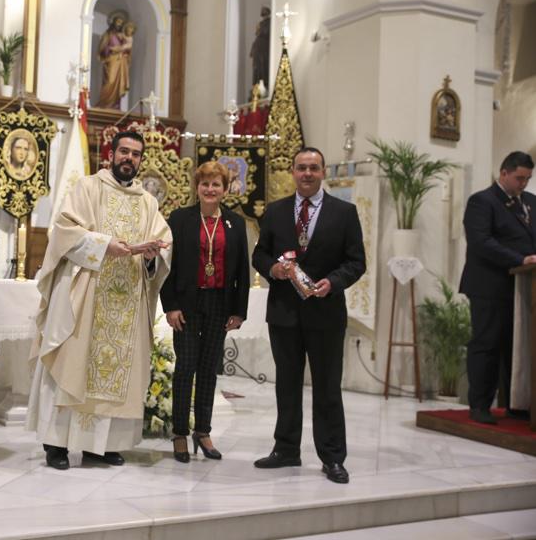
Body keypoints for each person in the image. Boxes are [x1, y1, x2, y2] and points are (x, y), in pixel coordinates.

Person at [26, 131, 172, 470]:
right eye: (124, 151)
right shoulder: (88, 187)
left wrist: (153, 255)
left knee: (114, 367)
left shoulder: (147, 202)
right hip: (85, 295)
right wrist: (106, 245)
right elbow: (64, 231)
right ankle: (57, 445)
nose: (129, 159)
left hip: (126, 302)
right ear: (111, 153)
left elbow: (164, 244)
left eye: (136, 154)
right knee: (71, 362)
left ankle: (101, 446)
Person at [251, 147, 365, 484]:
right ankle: (286, 449)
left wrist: (335, 281)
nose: (307, 174)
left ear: (323, 171)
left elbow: (357, 262)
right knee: (286, 385)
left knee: (327, 387)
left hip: (326, 315)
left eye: (313, 168)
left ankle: (332, 457)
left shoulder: (345, 213)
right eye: (301, 168)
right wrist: (273, 268)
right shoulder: (275, 211)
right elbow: (260, 255)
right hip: (285, 314)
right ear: (292, 171)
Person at [160, 161, 250, 463]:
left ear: (225, 190)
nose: (210, 190)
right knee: (186, 367)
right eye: (205, 184)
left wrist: (239, 311)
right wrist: (170, 305)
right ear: (196, 187)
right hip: (186, 304)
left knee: (209, 369)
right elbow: (167, 266)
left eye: (216, 185)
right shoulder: (181, 219)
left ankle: (203, 431)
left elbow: (242, 271)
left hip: (219, 304)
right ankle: (180, 433)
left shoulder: (235, 224)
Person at [460, 151, 536, 424]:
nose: (523, 184)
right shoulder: (482, 201)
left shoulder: (531, 202)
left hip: (525, 286)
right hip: (490, 284)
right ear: (504, 173)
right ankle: (480, 405)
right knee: (488, 344)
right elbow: (481, 242)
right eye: (519, 178)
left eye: (527, 179)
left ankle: (516, 404)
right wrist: (521, 260)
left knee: (518, 347)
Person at [97, 12, 130, 109]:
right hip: (111, 61)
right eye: (118, 21)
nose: (119, 24)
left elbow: (127, 50)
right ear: (113, 22)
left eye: (121, 22)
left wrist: (124, 51)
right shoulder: (108, 34)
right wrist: (110, 49)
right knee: (110, 81)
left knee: (119, 83)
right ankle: (104, 104)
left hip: (120, 62)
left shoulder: (123, 36)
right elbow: (102, 48)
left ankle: (116, 105)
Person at [249, 6, 271, 91]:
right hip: (258, 50)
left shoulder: (268, 23)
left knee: (263, 67)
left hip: (264, 50)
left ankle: (263, 86)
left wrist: (260, 28)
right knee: (257, 68)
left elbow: (266, 32)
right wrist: (253, 50)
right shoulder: (261, 25)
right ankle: (257, 86)